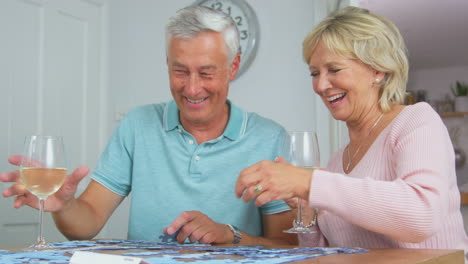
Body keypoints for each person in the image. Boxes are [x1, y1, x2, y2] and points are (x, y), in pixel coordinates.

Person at [1, 6, 296, 246]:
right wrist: (64, 206)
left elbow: (287, 248)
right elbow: (85, 224)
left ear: (232, 67)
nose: (192, 89)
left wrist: (229, 235)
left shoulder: (269, 138)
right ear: (167, 64)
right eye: (180, 71)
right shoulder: (137, 125)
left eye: (206, 73)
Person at [235, 5, 468, 256]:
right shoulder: (338, 161)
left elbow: (422, 216)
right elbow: (326, 254)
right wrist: (307, 211)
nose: (321, 85)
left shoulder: (416, 121)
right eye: (315, 73)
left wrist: (308, 182)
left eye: (334, 69)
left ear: (377, 69)